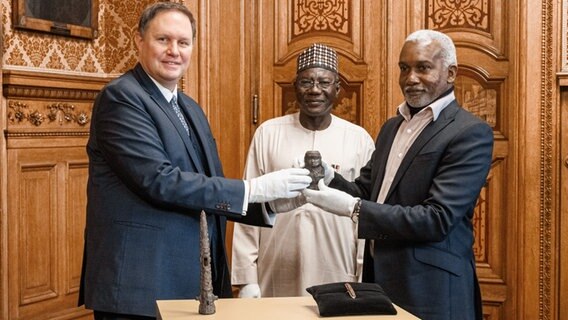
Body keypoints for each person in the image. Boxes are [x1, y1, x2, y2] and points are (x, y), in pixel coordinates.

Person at [78, 2, 312, 319]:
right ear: (139, 41)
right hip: (139, 286)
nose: (174, 50)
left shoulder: (190, 107)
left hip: (192, 284)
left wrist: (269, 205)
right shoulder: (121, 98)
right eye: (163, 39)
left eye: (183, 42)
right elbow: (159, 181)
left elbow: (204, 189)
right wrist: (254, 189)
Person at [303, 30, 493, 320]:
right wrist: (330, 178)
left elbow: (437, 218)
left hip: (432, 291)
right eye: (404, 68)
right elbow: (369, 192)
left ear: (451, 73)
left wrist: (352, 209)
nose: (411, 78)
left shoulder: (469, 132)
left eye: (423, 67)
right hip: (380, 283)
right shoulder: (392, 127)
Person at [231, 43, 375, 298]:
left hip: (338, 267)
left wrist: (363, 273)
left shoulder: (358, 139)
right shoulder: (268, 133)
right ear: (295, 87)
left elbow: (365, 213)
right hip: (276, 267)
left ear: (338, 89)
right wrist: (246, 278)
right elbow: (249, 204)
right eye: (306, 82)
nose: (315, 90)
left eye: (324, 82)